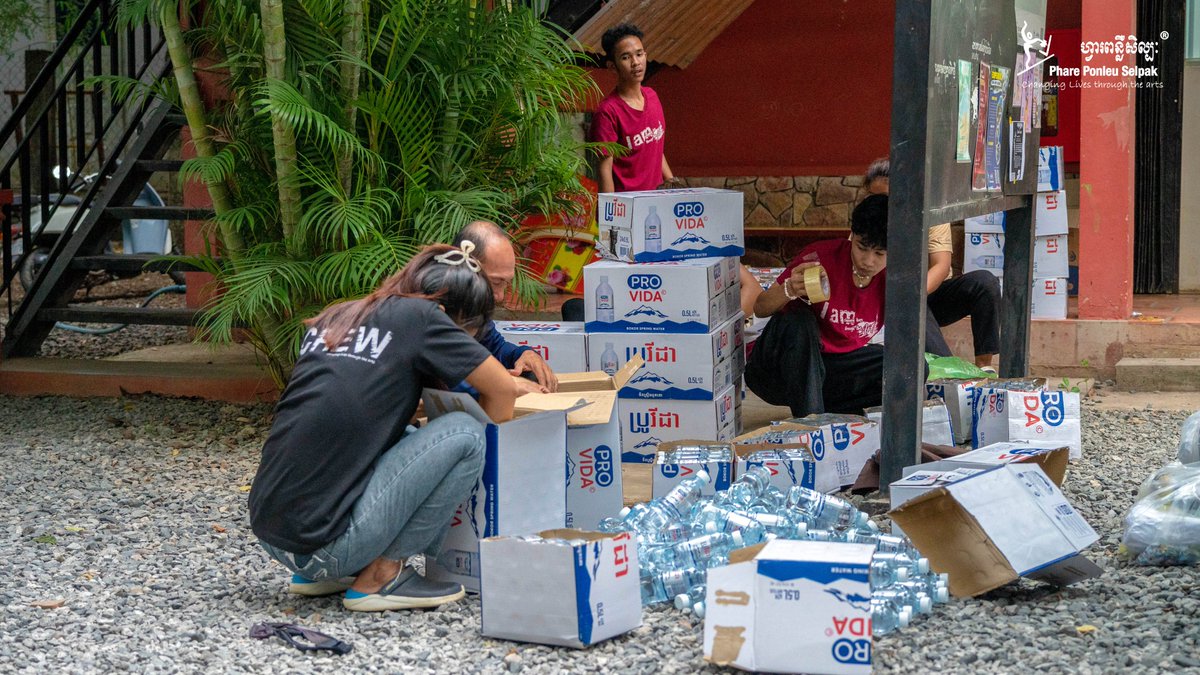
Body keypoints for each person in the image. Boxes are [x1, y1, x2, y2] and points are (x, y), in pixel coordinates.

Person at [249, 243, 517, 612]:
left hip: (274, 535)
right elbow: (503, 390)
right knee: (466, 435)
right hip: (325, 547)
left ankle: (320, 575)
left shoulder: (343, 315)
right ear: (443, 312)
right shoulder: (424, 317)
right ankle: (383, 575)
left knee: (406, 436)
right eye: (467, 332)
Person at [744, 195, 891, 416]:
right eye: (862, 248)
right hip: (777, 370)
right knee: (799, 319)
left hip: (830, 370)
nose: (868, 261)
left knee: (909, 369)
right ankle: (814, 425)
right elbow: (760, 308)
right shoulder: (820, 258)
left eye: (879, 254)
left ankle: (831, 412)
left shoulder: (896, 277)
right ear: (852, 236)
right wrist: (789, 289)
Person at [864, 158, 1000, 369]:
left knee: (985, 282)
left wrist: (914, 294)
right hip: (886, 299)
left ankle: (984, 367)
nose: (882, 205)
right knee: (914, 309)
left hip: (929, 291)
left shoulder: (929, 214)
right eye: (875, 198)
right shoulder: (866, 221)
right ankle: (947, 375)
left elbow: (941, 264)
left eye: (888, 198)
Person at [457, 220, 559, 393]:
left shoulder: (473, 310)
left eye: (506, 283)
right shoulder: (432, 310)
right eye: (496, 282)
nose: (500, 296)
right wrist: (503, 384)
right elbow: (440, 380)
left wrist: (524, 355)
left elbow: (495, 348)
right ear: (466, 269)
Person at [589, 23, 679, 193]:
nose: (636, 62)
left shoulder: (652, 97)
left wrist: (672, 186)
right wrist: (610, 216)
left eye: (639, 54)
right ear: (612, 66)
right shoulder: (608, 112)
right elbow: (604, 170)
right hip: (628, 208)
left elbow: (655, 150)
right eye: (626, 57)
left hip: (657, 203)